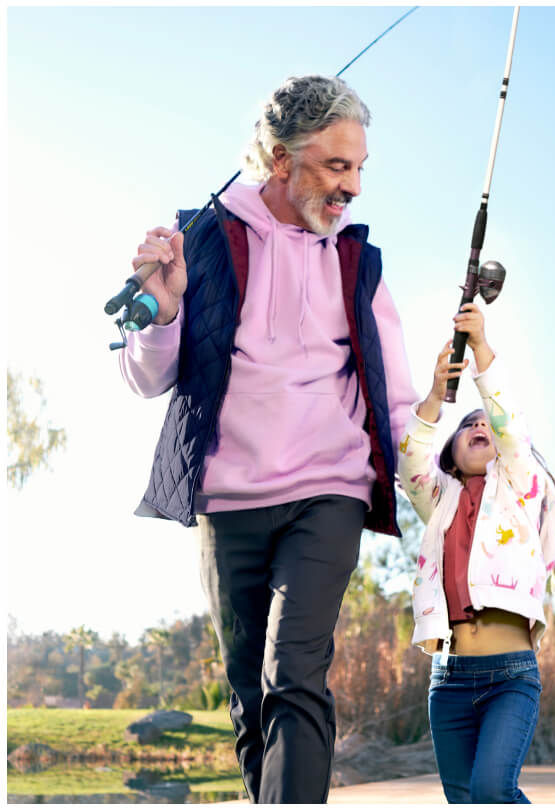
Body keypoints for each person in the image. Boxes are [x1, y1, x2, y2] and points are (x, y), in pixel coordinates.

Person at [118, 75, 418, 804]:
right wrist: (162, 309)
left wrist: (435, 487)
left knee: (295, 673)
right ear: (280, 160)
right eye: (334, 167)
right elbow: (146, 380)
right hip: (228, 500)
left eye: (358, 169)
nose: (350, 188)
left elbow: (398, 398)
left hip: (329, 490)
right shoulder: (203, 243)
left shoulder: (356, 263)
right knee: (249, 694)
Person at [397, 302, 555, 803]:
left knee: (494, 789)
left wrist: (482, 349)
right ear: (450, 449)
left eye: (485, 424)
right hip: (447, 681)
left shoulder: (518, 486)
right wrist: (434, 393)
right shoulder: (440, 501)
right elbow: (411, 462)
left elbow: (511, 431)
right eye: (467, 424)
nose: (479, 427)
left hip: (511, 675)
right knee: (466, 800)